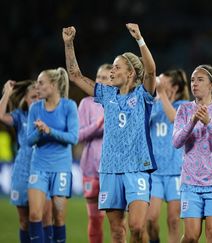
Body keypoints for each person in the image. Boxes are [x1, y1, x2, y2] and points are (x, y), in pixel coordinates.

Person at [63, 23, 157, 243]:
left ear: (131, 73)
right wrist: (69, 45)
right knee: (117, 231)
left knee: (136, 227)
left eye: (116, 67)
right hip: (110, 169)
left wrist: (140, 39)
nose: (111, 72)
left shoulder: (144, 95)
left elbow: (151, 70)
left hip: (137, 168)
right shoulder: (107, 94)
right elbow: (75, 75)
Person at [172, 64, 212, 243]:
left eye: (200, 80)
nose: (194, 84)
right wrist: (192, 122)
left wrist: (208, 122)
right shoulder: (183, 110)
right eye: (192, 80)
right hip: (191, 182)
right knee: (191, 236)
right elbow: (176, 142)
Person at [27, 67, 79, 243]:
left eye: (41, 83)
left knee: (58, 217)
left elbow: (73, 138)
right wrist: (40, 132)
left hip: (61, 168)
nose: (37, 87)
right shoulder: (35, 108)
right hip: (39, 166)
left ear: (54, 85)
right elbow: (28, 141)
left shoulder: (69, 106)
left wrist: (49, 130)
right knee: (35, 214)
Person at [0, 80, 55, 242]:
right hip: (22, 172)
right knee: (24, 222)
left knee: (46, 219)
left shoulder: (50, 115)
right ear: (25, 99)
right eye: (33, 97)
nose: (36, 100)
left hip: (43, 171)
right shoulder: (20, 116)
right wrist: (7, 92)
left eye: (39, 96)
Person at [147, 69, 190, 243]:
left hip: (176, 172)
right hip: (154, 171)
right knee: (150, 219)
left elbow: (174, 118)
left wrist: (162, 94)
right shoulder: (152, 103)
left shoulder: (184, 105)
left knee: (173, 221)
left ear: (174, 86)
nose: (158, 83)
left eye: (162, 81)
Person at [77, 63, 112, 243]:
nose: (100, 82)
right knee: (95, 219)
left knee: (118, 222)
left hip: (113, 171)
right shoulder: (86, 103)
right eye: (98, 77)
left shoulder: (116, 103)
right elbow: (78, 135)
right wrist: (98, 124)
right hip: (90, 169)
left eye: (105, 78)